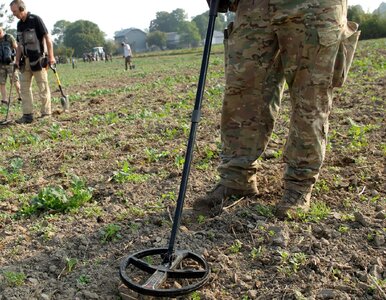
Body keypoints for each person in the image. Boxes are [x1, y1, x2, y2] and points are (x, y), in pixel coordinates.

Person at [193, 0, 360, 219]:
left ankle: (299, 186)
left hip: (315, 6)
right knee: (242, 91)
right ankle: (236, 179)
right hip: (253, 5)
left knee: (310, 96)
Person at [10, 0, 56, 124]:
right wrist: (17, 60)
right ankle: (27, 115)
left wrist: (51, 56)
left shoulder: (36, 19)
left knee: (42, 86)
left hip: (38, 60)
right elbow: (19, 45)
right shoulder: (19, 24)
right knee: (24, 88)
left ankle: (46, 113)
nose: (13, 14)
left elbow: (47, 38)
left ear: (21, 8)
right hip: (25, 61)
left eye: (14, 11)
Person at [0, 27, 22, 105]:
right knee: (1, 82)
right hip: (1, 64)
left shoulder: (9, 37)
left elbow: (16, 48)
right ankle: (4, 100)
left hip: (11, 63)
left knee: (15, 81)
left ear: (2, 31)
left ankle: (20, 96)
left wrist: (17, 61)